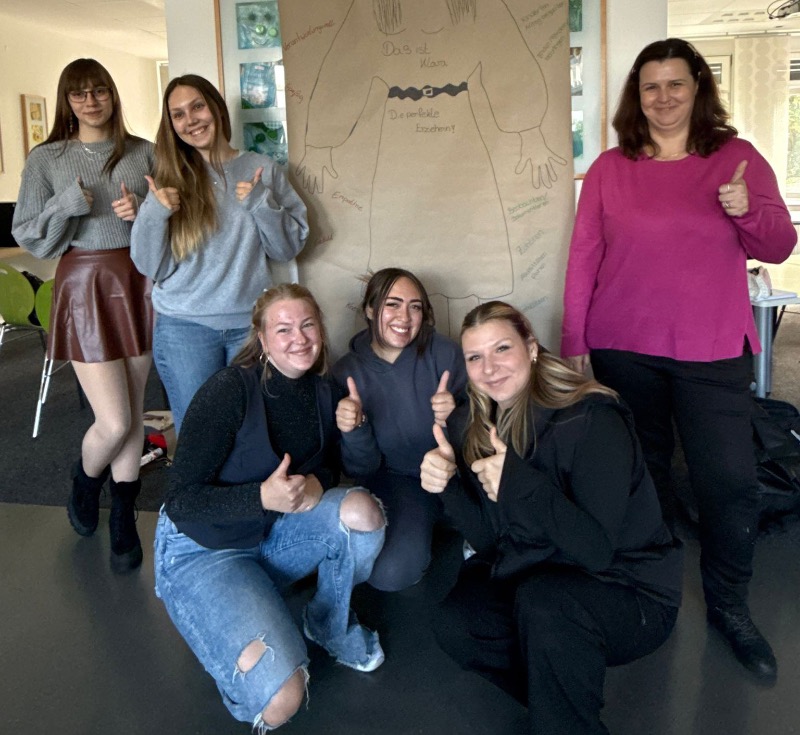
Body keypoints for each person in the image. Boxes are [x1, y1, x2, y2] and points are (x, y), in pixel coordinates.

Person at [561, 38, 797, 683]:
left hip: (711, 348)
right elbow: (584, 257)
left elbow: (780, 246)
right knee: (644, 475)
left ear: (698, 88)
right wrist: (574, 343)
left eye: (675, 84)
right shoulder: (610, 168)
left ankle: (729, 605)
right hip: (623, 345)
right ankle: (653, 588)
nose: (663, 97)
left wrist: (748, 211)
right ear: (636, 96)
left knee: (729, 484)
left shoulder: (737, 158)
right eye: (650, 86)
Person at [421, 302, 682, 735]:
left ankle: (562, 718)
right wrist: (448, 484)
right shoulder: (478, 424)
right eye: (475, 357)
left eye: (502, 348)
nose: (489, 368)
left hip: (629, 586)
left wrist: (519, 484)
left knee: (545, 603)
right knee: (459, 621)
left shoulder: (592, 417)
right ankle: (561, 708)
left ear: (531, 347)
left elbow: (596, 551)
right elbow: (492, 544)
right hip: (540, 570)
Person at [154, 284, 387, 731]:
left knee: (363, 512)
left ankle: (327, 624)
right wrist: (260, 497)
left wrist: (319, 481)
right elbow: (181, 500)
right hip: (202, 550)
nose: (298, 338)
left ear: (320, 331)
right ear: (262, 339)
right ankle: (220, 617)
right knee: (282, 700)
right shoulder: (229, 389)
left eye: (307, 325)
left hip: (271, 535)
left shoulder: (323, 391)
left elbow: (329, 465)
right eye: (283, 329)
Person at [12, 58, 154, 573]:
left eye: (99, 91)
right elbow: (29, 234)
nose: (91, 102)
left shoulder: (145, 152)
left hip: (138, 279)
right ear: (66, 101)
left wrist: (145, 212)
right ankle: (86, 479)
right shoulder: (47, 158)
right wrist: (65, 205)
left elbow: (175, 221)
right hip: (84, 281)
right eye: (79, 94)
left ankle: (123, 516)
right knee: (114, 421)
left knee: (134, 411)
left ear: (113, 94)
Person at [131, 74, 308, 434]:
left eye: (197, 106)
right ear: (171, 124)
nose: (191, 120)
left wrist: (260, 203)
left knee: (255, 429)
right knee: (202, 434)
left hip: (250, 325)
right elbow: (152, 267)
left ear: (216, 108)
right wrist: (153, 213)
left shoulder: (261, 168)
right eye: (178, 114)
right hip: (185, 328)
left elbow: (288, 247)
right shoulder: (168, 178)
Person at [332, 268, 467, 591]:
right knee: (389, 574)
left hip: (458, 475)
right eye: (392, 304)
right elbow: (361, 469)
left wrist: (458, 415)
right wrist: (355, 429)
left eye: (414, 306)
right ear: (370, 309)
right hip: (401, 484)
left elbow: (487, 428)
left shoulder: (446, 353)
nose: (404, 317)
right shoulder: (346, 372)